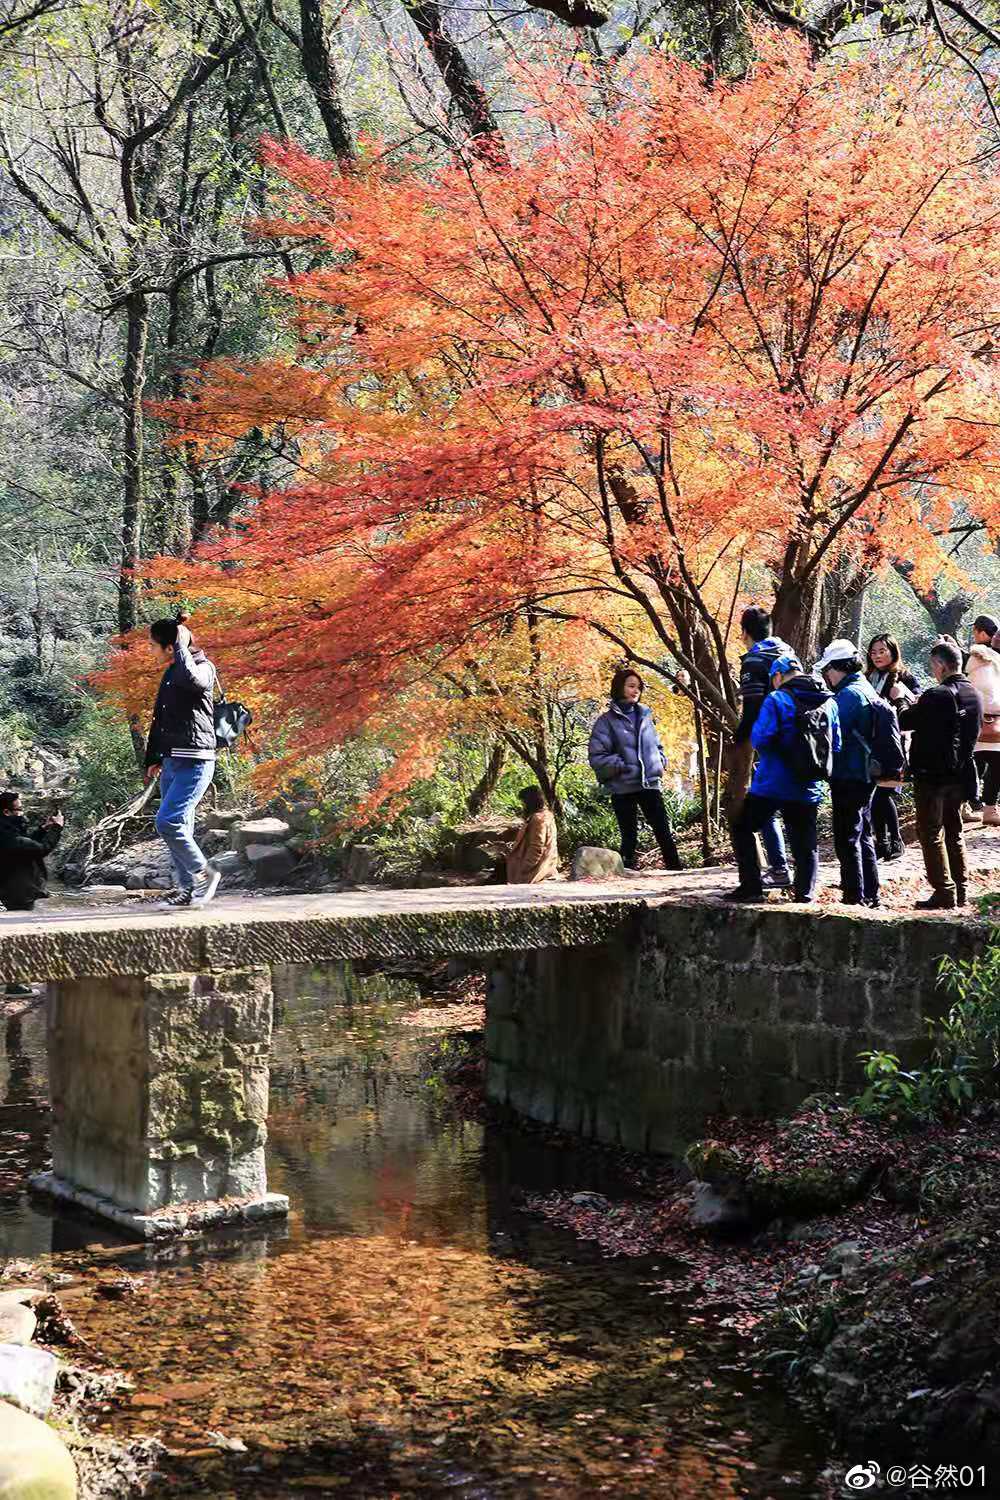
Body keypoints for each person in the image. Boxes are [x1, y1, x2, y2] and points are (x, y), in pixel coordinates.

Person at [726, 656, 840, 903]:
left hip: (773, 782)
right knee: (805, 840)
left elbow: (760, 738)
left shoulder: (777, 699)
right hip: (809, 783)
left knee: (743, 826)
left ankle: (751, 888)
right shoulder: (829, 702)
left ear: (777, 676)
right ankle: (805, 895)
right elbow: (837, 744)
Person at [898, 640, 983, 909]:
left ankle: (944, 891)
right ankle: (961, 889)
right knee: (954, 831)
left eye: (932, 666)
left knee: (931, 832)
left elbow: (905, 720)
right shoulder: (974, 694)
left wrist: (900, 698)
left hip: (932, 776)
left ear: (940, 665)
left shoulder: (937, 695)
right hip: (961, 774)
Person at [145, 618, 221, 908]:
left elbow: (193, 682)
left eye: (154, 646)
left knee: (168, 821)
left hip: (195, 759)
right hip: (172, 760)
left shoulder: (203, 667)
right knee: (180, 827)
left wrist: (181, 646)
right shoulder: (171, 671)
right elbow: (161, 717)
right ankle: (187, 890)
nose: (150, 650)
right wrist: (155, 757)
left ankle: (205, 873)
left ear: (170, 647)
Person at [588, 667, 682, 874]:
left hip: (649, 782)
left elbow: (657, 745)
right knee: (629, 836)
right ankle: (625, 875)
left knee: (663, 831)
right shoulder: (606, 721)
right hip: (622, 786)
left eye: (638, 687)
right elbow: (597, 755)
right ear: (619, 688)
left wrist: (660, 761)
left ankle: (676, 871)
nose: (636, 691)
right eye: (631, 686)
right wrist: (621, 766)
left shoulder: (645, 715)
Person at [815, 639, 882, 907]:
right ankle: (871, 894)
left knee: (847, 837)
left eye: (828, 670)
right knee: (863, 834)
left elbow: (830, 732)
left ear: (838, 667)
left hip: (850, 773)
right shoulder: (865, 687)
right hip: (865, 773)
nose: (827, 676)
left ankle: (854, 897)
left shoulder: (848, 696)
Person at [733, 606, 795, 889]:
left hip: (769, 745)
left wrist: (739, 739)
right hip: (798, 743)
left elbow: (752, 709)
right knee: (795, 809)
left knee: (759, 809)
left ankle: (775, 871)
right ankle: (800, 878)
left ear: (745, 632)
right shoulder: (788, 655)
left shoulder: (754, 660)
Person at [0, 790, 64, 997]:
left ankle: (17, 980)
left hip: (16, 889)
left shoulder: (7, 829)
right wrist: (57, 828)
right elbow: (41, 849)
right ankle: (14, 985)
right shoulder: (6, 834)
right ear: (6, 812)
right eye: (19, 809)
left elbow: (26, 842)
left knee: (17, 935)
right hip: (18, 891)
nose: (22, 812)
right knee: (18, 938)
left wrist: (43, 829)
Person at [865, 633, 919, 861]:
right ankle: (882, 842)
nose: (877, 656)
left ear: (893, 652)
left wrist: (898, 700)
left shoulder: (904, 677)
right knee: (876, 793)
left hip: (896, 743)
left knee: (884, 793)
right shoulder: (867, 678)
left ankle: (895, 840)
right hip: (871, 743)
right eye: (873, 652)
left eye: (882, 651)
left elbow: (916, 701)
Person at [965, 615, 1000, 826]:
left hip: (974, 719)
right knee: (993, 765)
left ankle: (965, 805)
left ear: (981, 632)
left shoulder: (973, 658)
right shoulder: (988, 658)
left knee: (973, 764)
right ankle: (988, 809)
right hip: (993, 721)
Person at [504, 786, 559, 884]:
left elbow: (537, 846)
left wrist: (525, 867)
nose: (523, 805)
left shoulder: (538, 819)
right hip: (546, 867)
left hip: (534, 871)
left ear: (530, 802)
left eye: (523, 802)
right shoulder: (547, 815)